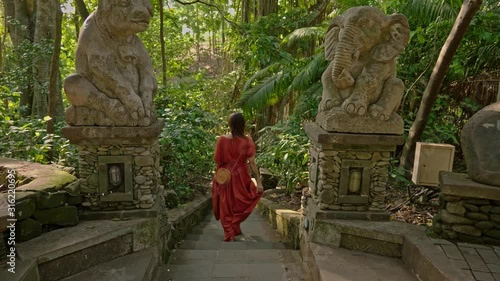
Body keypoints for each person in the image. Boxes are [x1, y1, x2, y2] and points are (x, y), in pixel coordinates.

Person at [212, 112, 264, 242]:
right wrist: (258, 182)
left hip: (225, 175)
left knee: (226, 204)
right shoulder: (247, 141)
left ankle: (230, 232)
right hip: (240, 175)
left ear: (230, 124)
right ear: (243, 125)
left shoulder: (222, 140)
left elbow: (217, 159)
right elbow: (252, 162)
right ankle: (234, 228)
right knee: (242, 201)